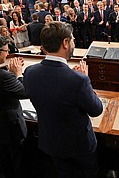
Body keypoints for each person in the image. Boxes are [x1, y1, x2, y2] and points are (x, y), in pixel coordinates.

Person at [24, 22, 103, 178]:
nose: (73, 43)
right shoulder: (79, 80)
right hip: (79, 145)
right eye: (72, 40)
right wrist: (86, 80)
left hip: (50, 142)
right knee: (90, 172)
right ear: (65, 43)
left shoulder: (29, 72)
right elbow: (96, 110)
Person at [0, 36, 27, 177]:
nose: (8, 52)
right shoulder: (4, 77)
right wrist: (18, 74)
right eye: (5, 50)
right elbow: (24, 92)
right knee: (14, 162)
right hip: (9, 129)